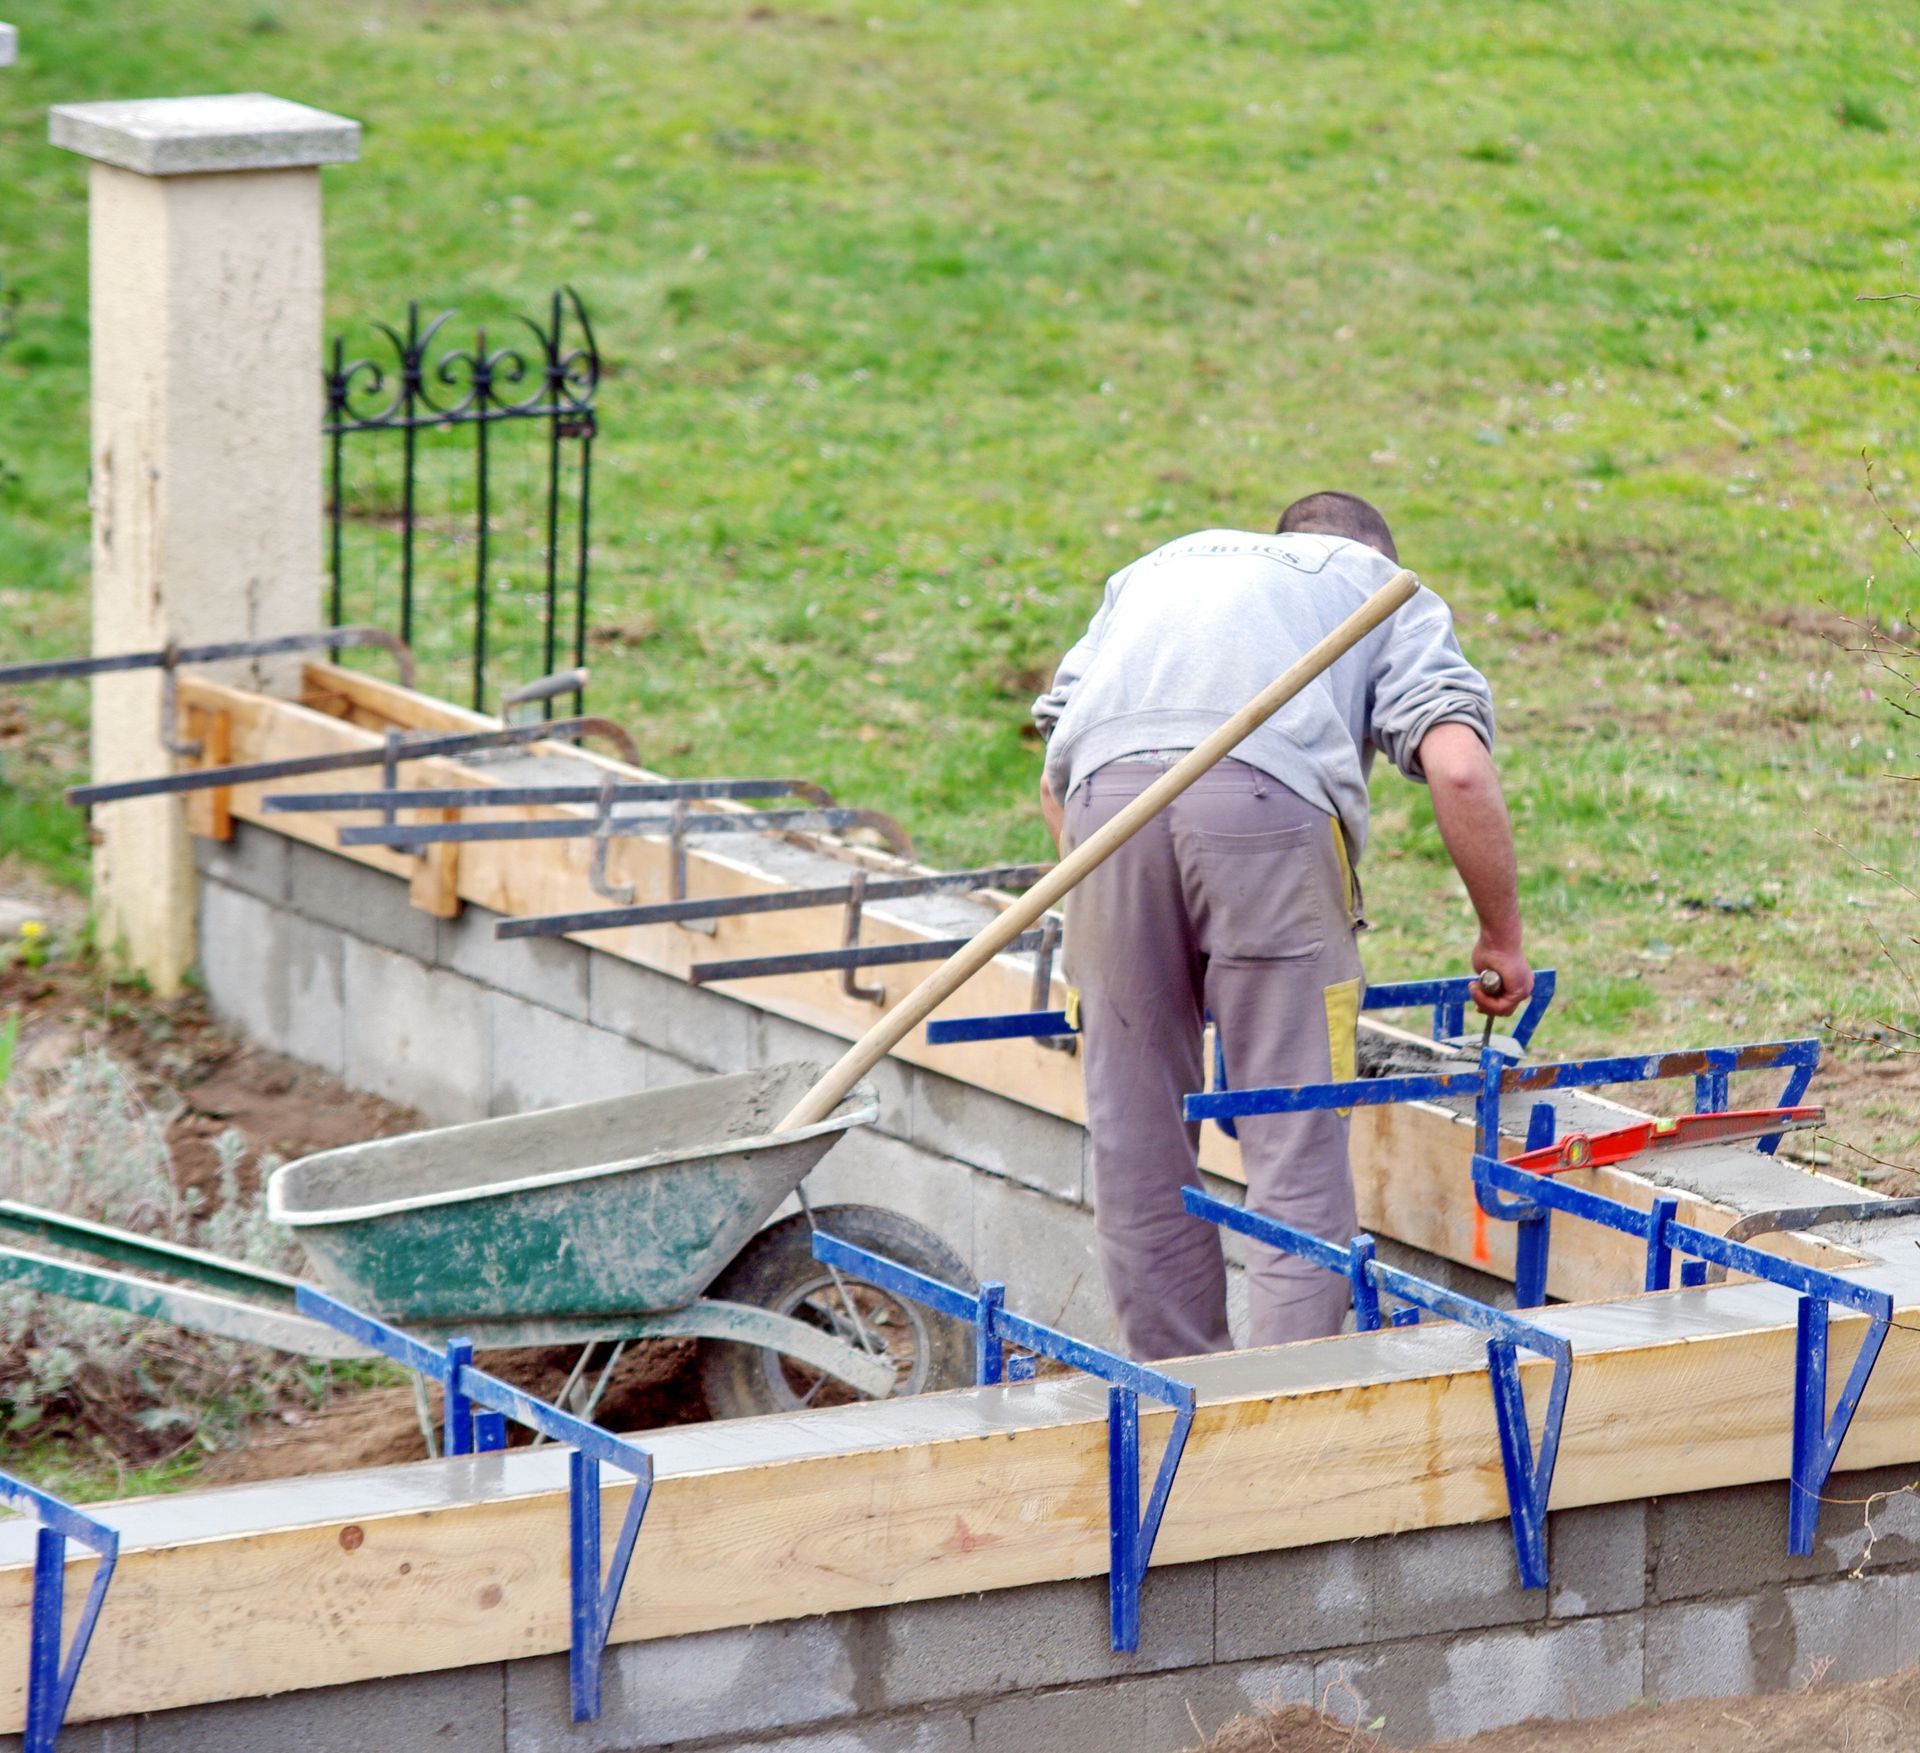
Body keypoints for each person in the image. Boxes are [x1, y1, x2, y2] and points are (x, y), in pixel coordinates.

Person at [1032, 491, 1532, 1361]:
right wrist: (1502, 937)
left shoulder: (1156, 569)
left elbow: (1055, 768)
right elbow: (1456, 769)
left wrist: (1133, 917)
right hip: (1268, 807)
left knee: (1135, 1131)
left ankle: (1174, 1389)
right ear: (1376, 548)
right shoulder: (1383, 585)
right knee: (1293, 1129)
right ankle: (1283, 1396)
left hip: (1100, 811)